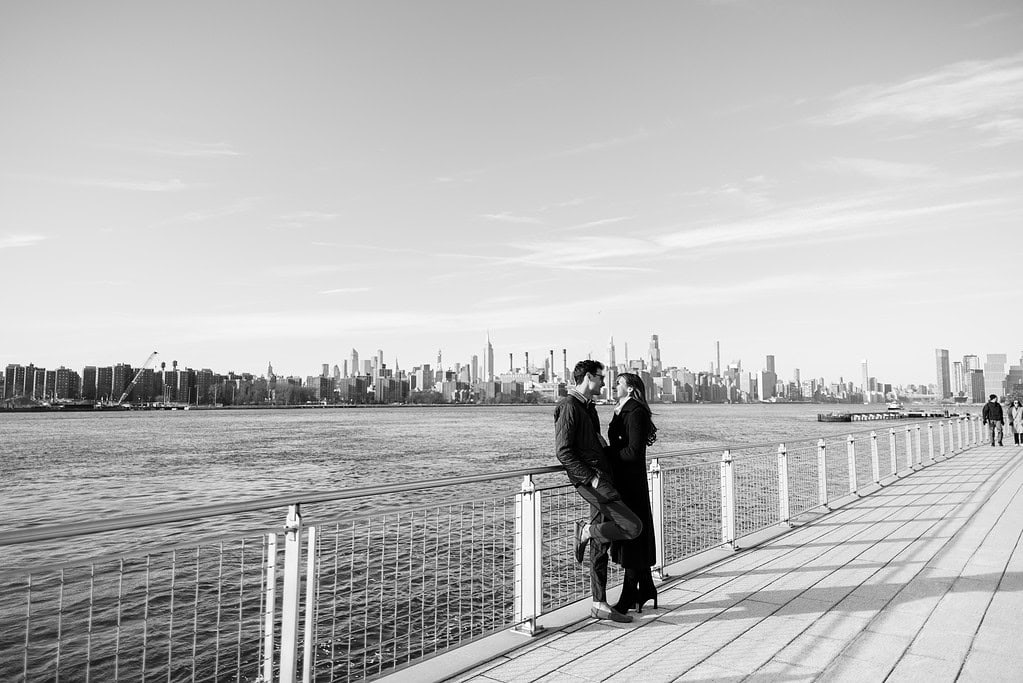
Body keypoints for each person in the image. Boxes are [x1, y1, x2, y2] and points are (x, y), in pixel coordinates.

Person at [555, 359, 642, 623]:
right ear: (589, 377)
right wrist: (591, 479)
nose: (605, 383)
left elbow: (594, 444)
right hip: (593, 483)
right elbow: (563, 451)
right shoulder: (568, 406)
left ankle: (599, 602)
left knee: (602, 544)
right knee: (632, 526)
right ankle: (585, 531)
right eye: (601, 378)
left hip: (602, 478)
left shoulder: (588, 408)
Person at [607, 372, 659, 614]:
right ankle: (646, 588)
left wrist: (606, 455)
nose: (614, 384)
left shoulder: (635, 412)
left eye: (618, 382)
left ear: (630, 389)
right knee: (634, 537)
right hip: (627, 483)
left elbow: (633, 452)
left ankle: (629, 596)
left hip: (631, 485)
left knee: (631, 538)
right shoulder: (625, 410)